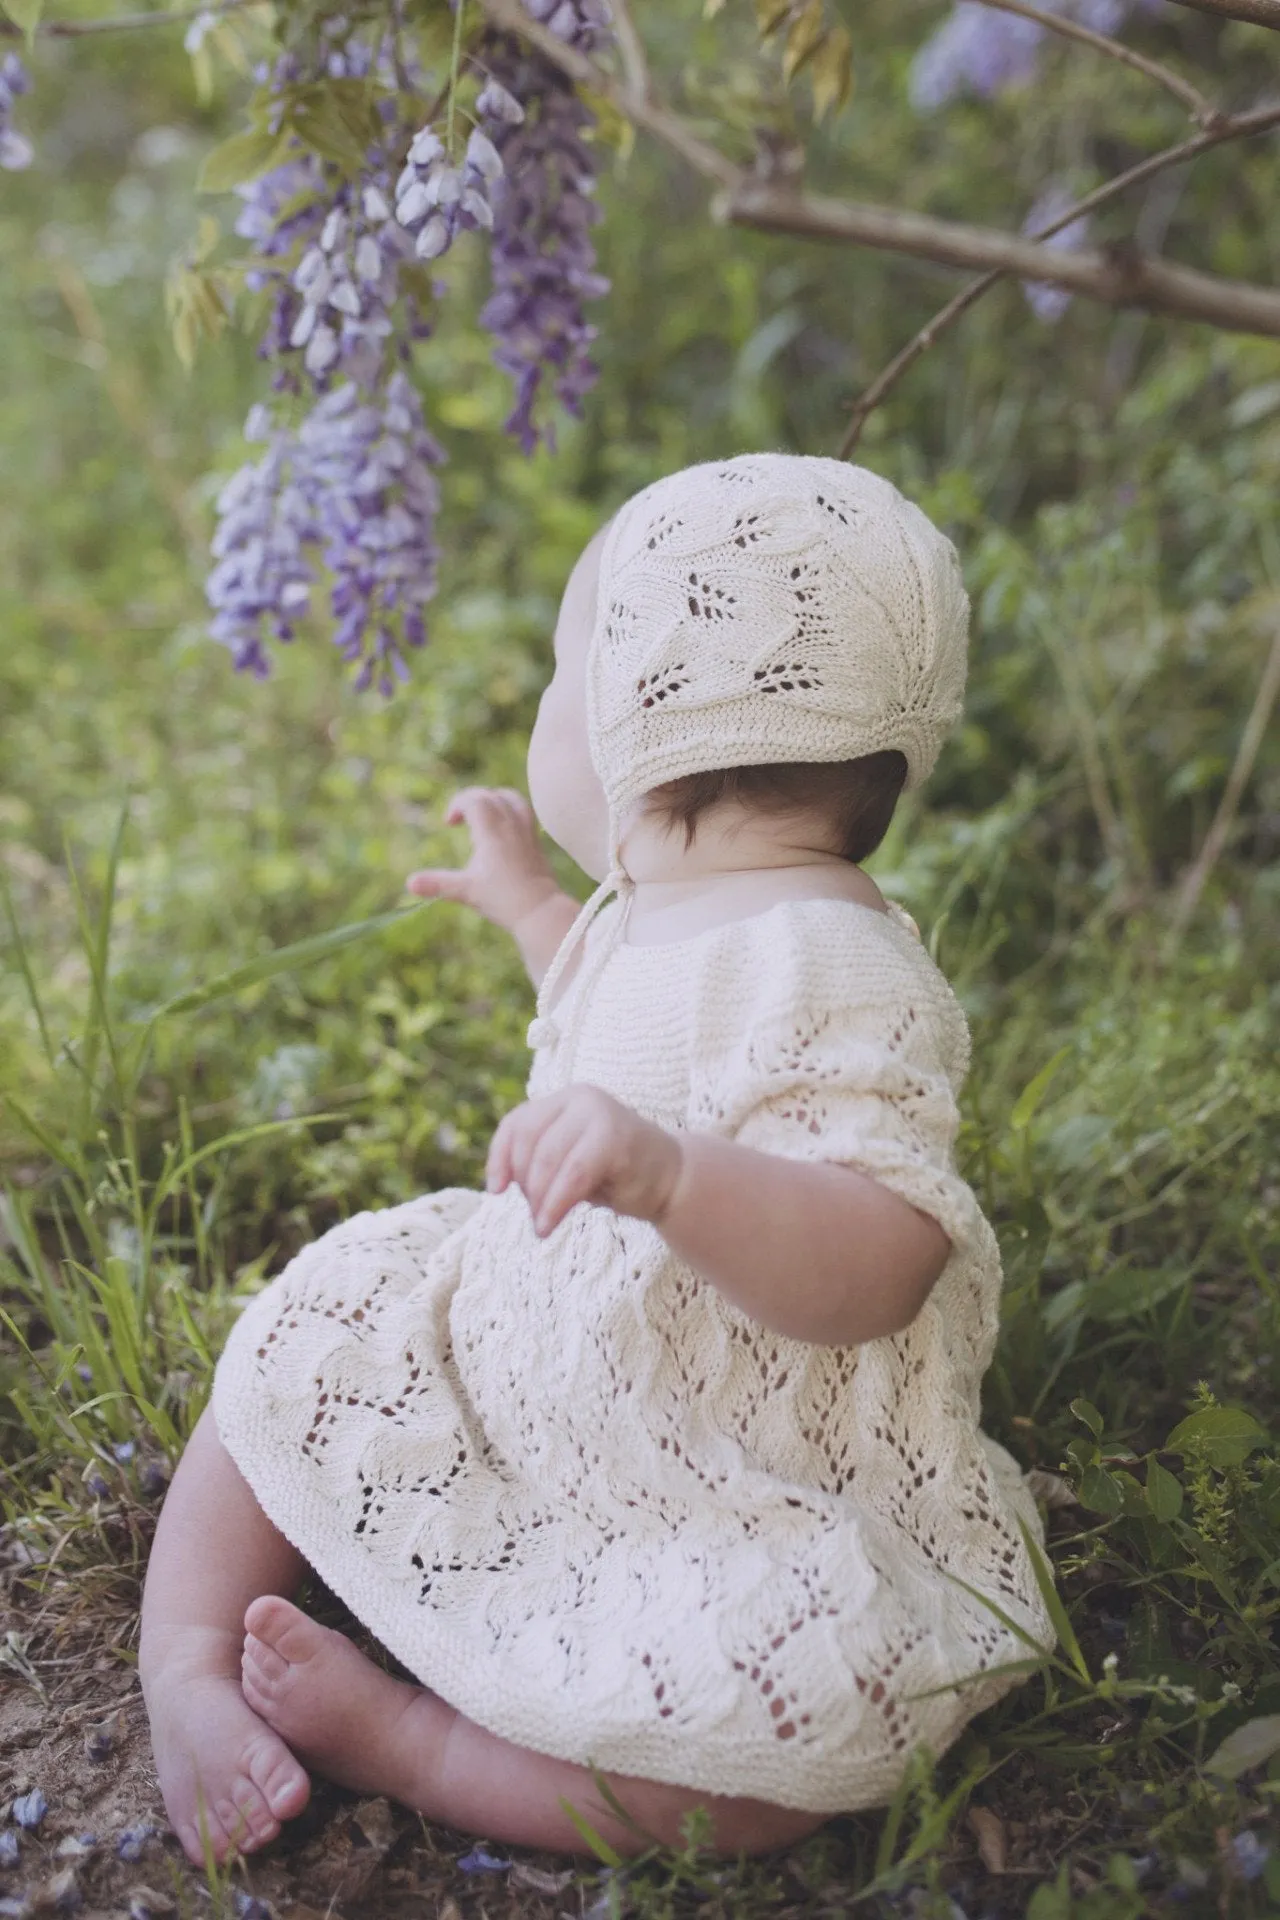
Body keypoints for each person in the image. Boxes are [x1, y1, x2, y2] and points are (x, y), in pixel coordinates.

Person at [140, 453, 1057, 1868]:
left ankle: (418, 1744)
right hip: (539, 1353)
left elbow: (882, 1258)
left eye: (566, 680)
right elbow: (619, 1012)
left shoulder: (836, 967)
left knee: (805, 1720)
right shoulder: (658, 904)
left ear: (652, 728)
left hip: (728, 1467)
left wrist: (677, 1179)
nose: (545, 714)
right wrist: (531, 910)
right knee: (313, 1326)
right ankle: (187, 1664)